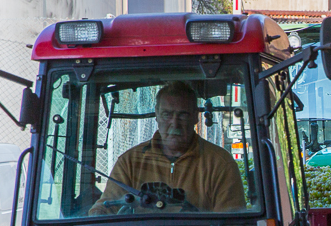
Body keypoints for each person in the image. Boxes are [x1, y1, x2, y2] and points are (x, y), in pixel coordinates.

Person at [93, 81, 246, 213]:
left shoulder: (220, 164)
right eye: (167, 114)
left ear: (195, 117)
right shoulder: (129, 162)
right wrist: (99, 215)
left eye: (183, 115)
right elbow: (105, 209)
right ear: (157, 115)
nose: (175, 123)